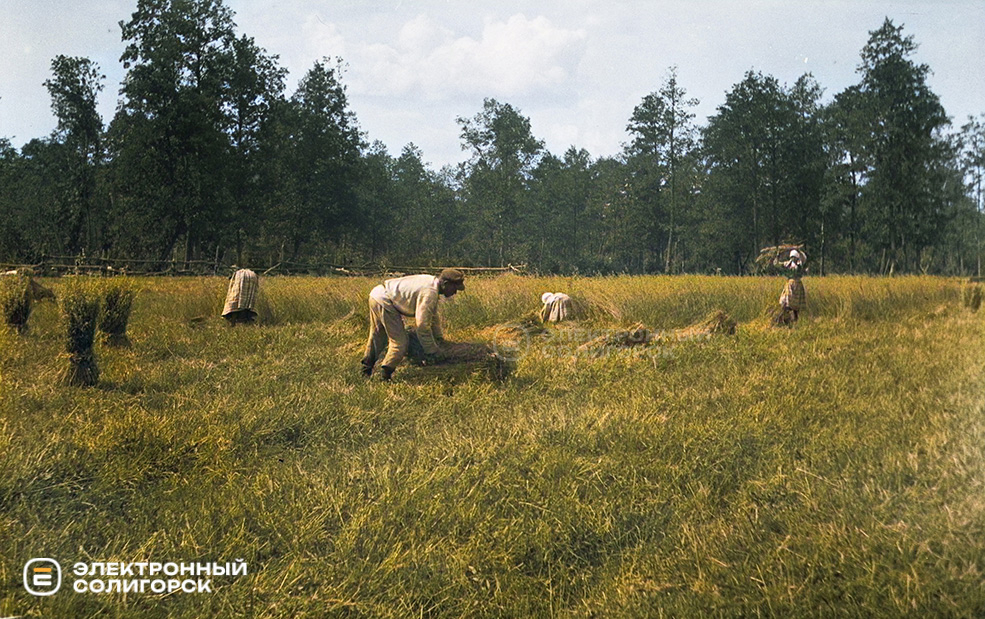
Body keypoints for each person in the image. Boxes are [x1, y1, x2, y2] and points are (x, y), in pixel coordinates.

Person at [361, 268, 466, 381]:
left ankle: (365, 370)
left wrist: (439, 338)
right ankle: (385, 376)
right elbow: (422, 326)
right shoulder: (430, 292)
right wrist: (432, 351)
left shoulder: (431, 282)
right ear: (446, 284)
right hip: (385, 300)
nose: (455, 292)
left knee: (377, 335)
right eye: (455, 288)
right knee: (400, 342)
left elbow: (433, 316)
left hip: (377, 294)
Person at [778, 250, 806, 324]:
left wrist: (800, 252)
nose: (793, 259)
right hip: (790, 284)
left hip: (796, 285)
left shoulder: (799, 265)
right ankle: (786, 319)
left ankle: (794, 319)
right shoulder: (787, 264)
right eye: (792, 257)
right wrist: (777, 256)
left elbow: (804, 259)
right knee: (786, 302)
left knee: (795, 305)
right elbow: (777, 264)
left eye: (794, 257)